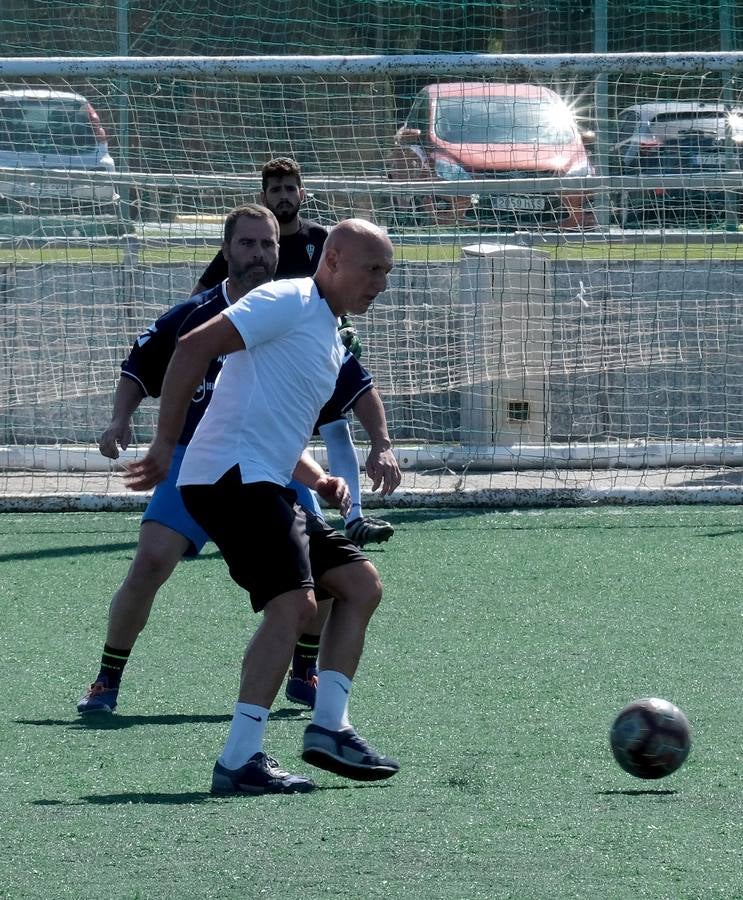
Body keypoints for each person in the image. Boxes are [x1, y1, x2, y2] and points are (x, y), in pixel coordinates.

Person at [76, 204, 399, 716]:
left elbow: (331, 397)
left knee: (340, 576)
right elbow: (147, 365)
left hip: (271, 465)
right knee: (153, 563)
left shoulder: (313, 316)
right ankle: (107, 679)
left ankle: (305, 680)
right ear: (226, 250)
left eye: (268, 244)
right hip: (199, 461)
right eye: (247, 244)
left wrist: (338, 465)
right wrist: (131, 427)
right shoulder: (212, 311)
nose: (259, 253)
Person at [193, 156, 395, 549]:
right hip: (263, 365)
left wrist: (343, 328)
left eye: (290, 188)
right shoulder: (256, 259)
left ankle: (350, 516)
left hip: (317, 353)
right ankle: (305, 516)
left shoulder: (322, 239)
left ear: (302, 193)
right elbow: (199, 310)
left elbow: (336, 301)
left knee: (337, 425)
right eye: (275, 189)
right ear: (264, 195)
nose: (283, 196)